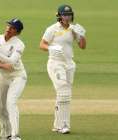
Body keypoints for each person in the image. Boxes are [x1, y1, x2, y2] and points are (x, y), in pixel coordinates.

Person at [39, 4, 86, 134]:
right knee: (64, 91)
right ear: (59, 16)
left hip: (69, 64)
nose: (67, 17)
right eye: (65, 15)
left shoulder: (73, 29)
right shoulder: (52, 29)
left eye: (69, 14)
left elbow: (82, 46)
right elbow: (42, 44)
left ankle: (57, 125)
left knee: (65, 95)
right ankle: (64, 125)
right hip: (55, 63)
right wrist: (50, 48)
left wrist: (82, 35)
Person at [0, 18, 27, 140]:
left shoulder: (19, 44)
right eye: (8, 26)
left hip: (18, 76)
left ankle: (15, 135)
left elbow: (11, 62)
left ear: (17, 32)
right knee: (1, 106)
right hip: (3, 77)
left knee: (11, 102)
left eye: (13, 28)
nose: (9, 29)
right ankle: (6, 134)